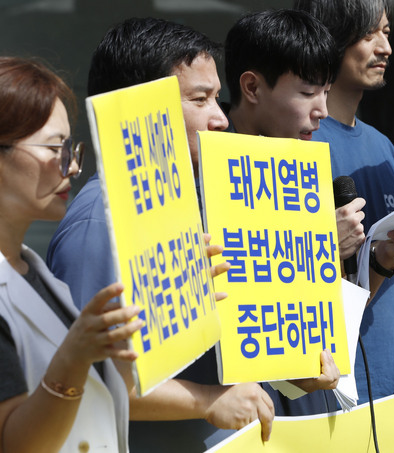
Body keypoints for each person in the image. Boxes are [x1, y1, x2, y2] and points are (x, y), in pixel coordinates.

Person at [46, 18, 274, 451]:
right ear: (143, 107)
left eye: (216, 98)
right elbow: (86, 379)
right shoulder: (99, 219)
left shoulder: (188, 203)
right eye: (200, 99)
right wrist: (206, 401)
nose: (220, 118)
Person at [294, 0, 394, 410]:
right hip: (333, 390)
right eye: (369, 34)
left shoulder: (383, 147)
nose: (385, 47)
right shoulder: (300, 144)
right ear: (330, 38)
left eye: (386, 32)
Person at [0, 56, 141, 453]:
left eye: (71, 148)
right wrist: (74, 359)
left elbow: (102, 399)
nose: (74, 166)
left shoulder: (37, 274)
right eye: (54, 148)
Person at [224, 8, 345, 416]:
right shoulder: (200, 173)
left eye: (326, 92)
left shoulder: (303, 168)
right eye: (308, 93)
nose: (322, 110)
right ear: (252, 87)